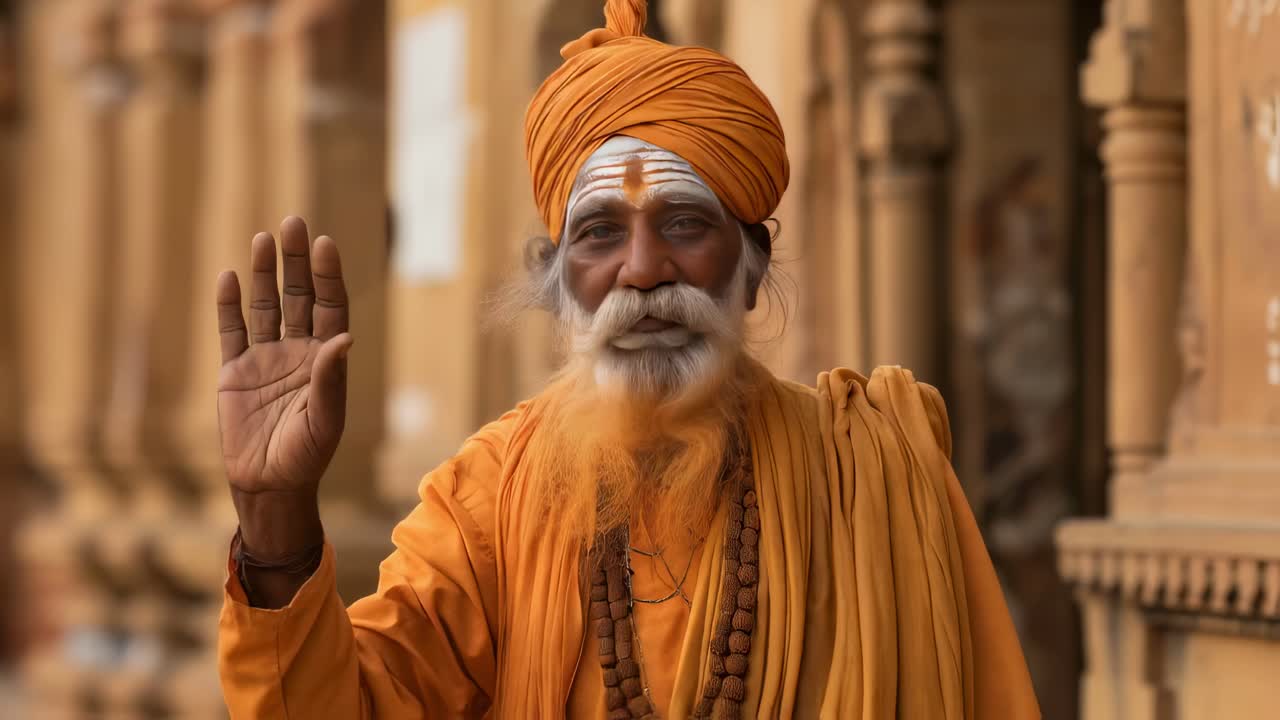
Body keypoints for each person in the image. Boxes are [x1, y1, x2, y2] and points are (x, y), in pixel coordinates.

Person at [215, 1, 1040, 717]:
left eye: (684, 223)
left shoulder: (874, 472)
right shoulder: (491, 498)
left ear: (751, 266)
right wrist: (275, 518)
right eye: (601, 232)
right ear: (560, 281)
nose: (643, 271)